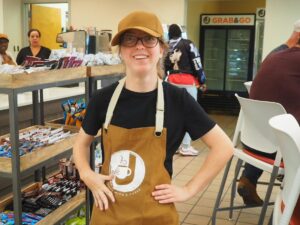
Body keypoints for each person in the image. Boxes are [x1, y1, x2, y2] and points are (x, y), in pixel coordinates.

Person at [73, 11, 233, 225]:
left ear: (161, 50)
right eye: (130, 39)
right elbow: (81, 144)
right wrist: (86, 173)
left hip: (157, 216)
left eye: (148, 39)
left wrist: (188, 189)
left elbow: (224, 147)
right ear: (120, 51)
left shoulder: (178, 100)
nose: (139, 46)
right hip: (109, 214)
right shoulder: (103, 99)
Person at [238, 36, 300, 206]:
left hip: (252, 143)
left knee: (274, 130)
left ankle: (250, 178)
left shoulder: (274, 56)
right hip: (282, 150)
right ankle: (289, 197)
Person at [164, 24, 206, 156]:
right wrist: (202, 80)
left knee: (173, 114)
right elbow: (196, 62)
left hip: (171, 81)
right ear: (180, 33)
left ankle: (174, 145)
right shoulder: (188, 44)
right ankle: (186, 146)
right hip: (188, 81)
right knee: (189, 113)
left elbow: (164, 66)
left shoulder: (166, 46)